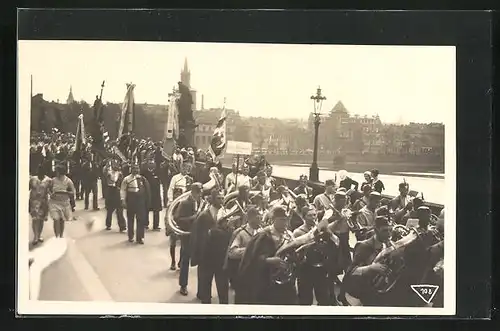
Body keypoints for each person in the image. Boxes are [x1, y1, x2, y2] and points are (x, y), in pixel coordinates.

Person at [237, 206, 297, 305]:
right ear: (273, 220)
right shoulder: (263, 236)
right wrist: (269, 260)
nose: (285, 224)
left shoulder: (289, 235)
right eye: (282, 220)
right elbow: (251, 259)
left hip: (286, 283)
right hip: (266, 283)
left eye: (287, 220)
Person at [342, 216, 394, 306]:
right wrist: (371, 268)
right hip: (358, 293)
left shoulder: (387, 244)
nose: (389, 234)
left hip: (375, 291)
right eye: (385, 231)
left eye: (390, 230)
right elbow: (351, 272)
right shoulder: (363, 246)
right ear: (376, 230)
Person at [192, 189, 230, 304]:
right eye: (219, 198)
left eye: (223, 198)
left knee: (223, 290)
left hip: (221, 258)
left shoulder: (227, 213)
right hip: (207, 258)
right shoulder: (204, 215)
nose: (222, 200)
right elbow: (197, 237)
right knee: (206, 291)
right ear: (212, 199)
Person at [225, 206, 263, 303]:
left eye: (260, 217)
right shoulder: (240, 233)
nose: (260, 220)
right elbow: (232, 252)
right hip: (243, 274)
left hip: (258, 274)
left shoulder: (261, 232)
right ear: (250, 218)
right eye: (258, 218)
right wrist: (250, 250)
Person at [175, 182, 203, 296]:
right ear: (194, 191)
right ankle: (183, 285)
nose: (201, 193)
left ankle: (201, 290)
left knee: (200, 260)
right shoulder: (184, 203)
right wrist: (192, 218)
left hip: (198, 234)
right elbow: (177, 218)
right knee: (185, 260)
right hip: (187, 235)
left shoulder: (201, 201)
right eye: (199, 190)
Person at [120, 163, 151, 244]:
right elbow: (123, 190)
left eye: (137, 168)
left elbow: (147, 190)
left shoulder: (142, 179)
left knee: (141, 219)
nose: (136, 170)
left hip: (140, 201)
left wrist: (147, 201)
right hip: (131, 200)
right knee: (130, 219)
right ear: (131, 170)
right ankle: (130, 236)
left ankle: (140, 237)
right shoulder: (126, 179)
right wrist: (123, 200)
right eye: (134, 168)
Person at [48, 164, 76, 238]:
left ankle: (61, 235)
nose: (55, 173)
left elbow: (73, 192)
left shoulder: (68, 181)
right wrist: (51, 194)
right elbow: (49, 189)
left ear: (60, 172)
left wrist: (65, 192)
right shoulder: (53, 180)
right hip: (54, 202)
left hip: (64, 203)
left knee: (62, 220)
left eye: (57, 171)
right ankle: (57, 236)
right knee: (56, 219)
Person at [29, 165, 51, 245]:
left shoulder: (48, 180)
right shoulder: (32, 179)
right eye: (39, 170)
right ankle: (35, 236)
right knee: (35, 219)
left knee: (41, 220)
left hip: (43, 202)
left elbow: (51, 191)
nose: (40, 172)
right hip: (33, 202)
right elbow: (27, 188)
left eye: (42, 171)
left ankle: (39, 235)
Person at [105, 160, 126, 232]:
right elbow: (109, 181)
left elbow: (122, 183)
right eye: (115, 165)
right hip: (111, 192)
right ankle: (108, 224)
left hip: (118, 193)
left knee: (120, 210)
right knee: (110, 210)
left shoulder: (120, 174)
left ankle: (122, 226)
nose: (116, 167)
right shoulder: (109, 173)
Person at [142, 159, 163, 231]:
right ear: (147, 164)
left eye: (152, 163)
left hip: (156, 195)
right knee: (146, 209)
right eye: (150, 163)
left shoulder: (158, 172)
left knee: (156, 211)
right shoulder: (144, 173)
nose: (151, 164)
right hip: (147, 194)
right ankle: (145, 224)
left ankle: (156, 226)